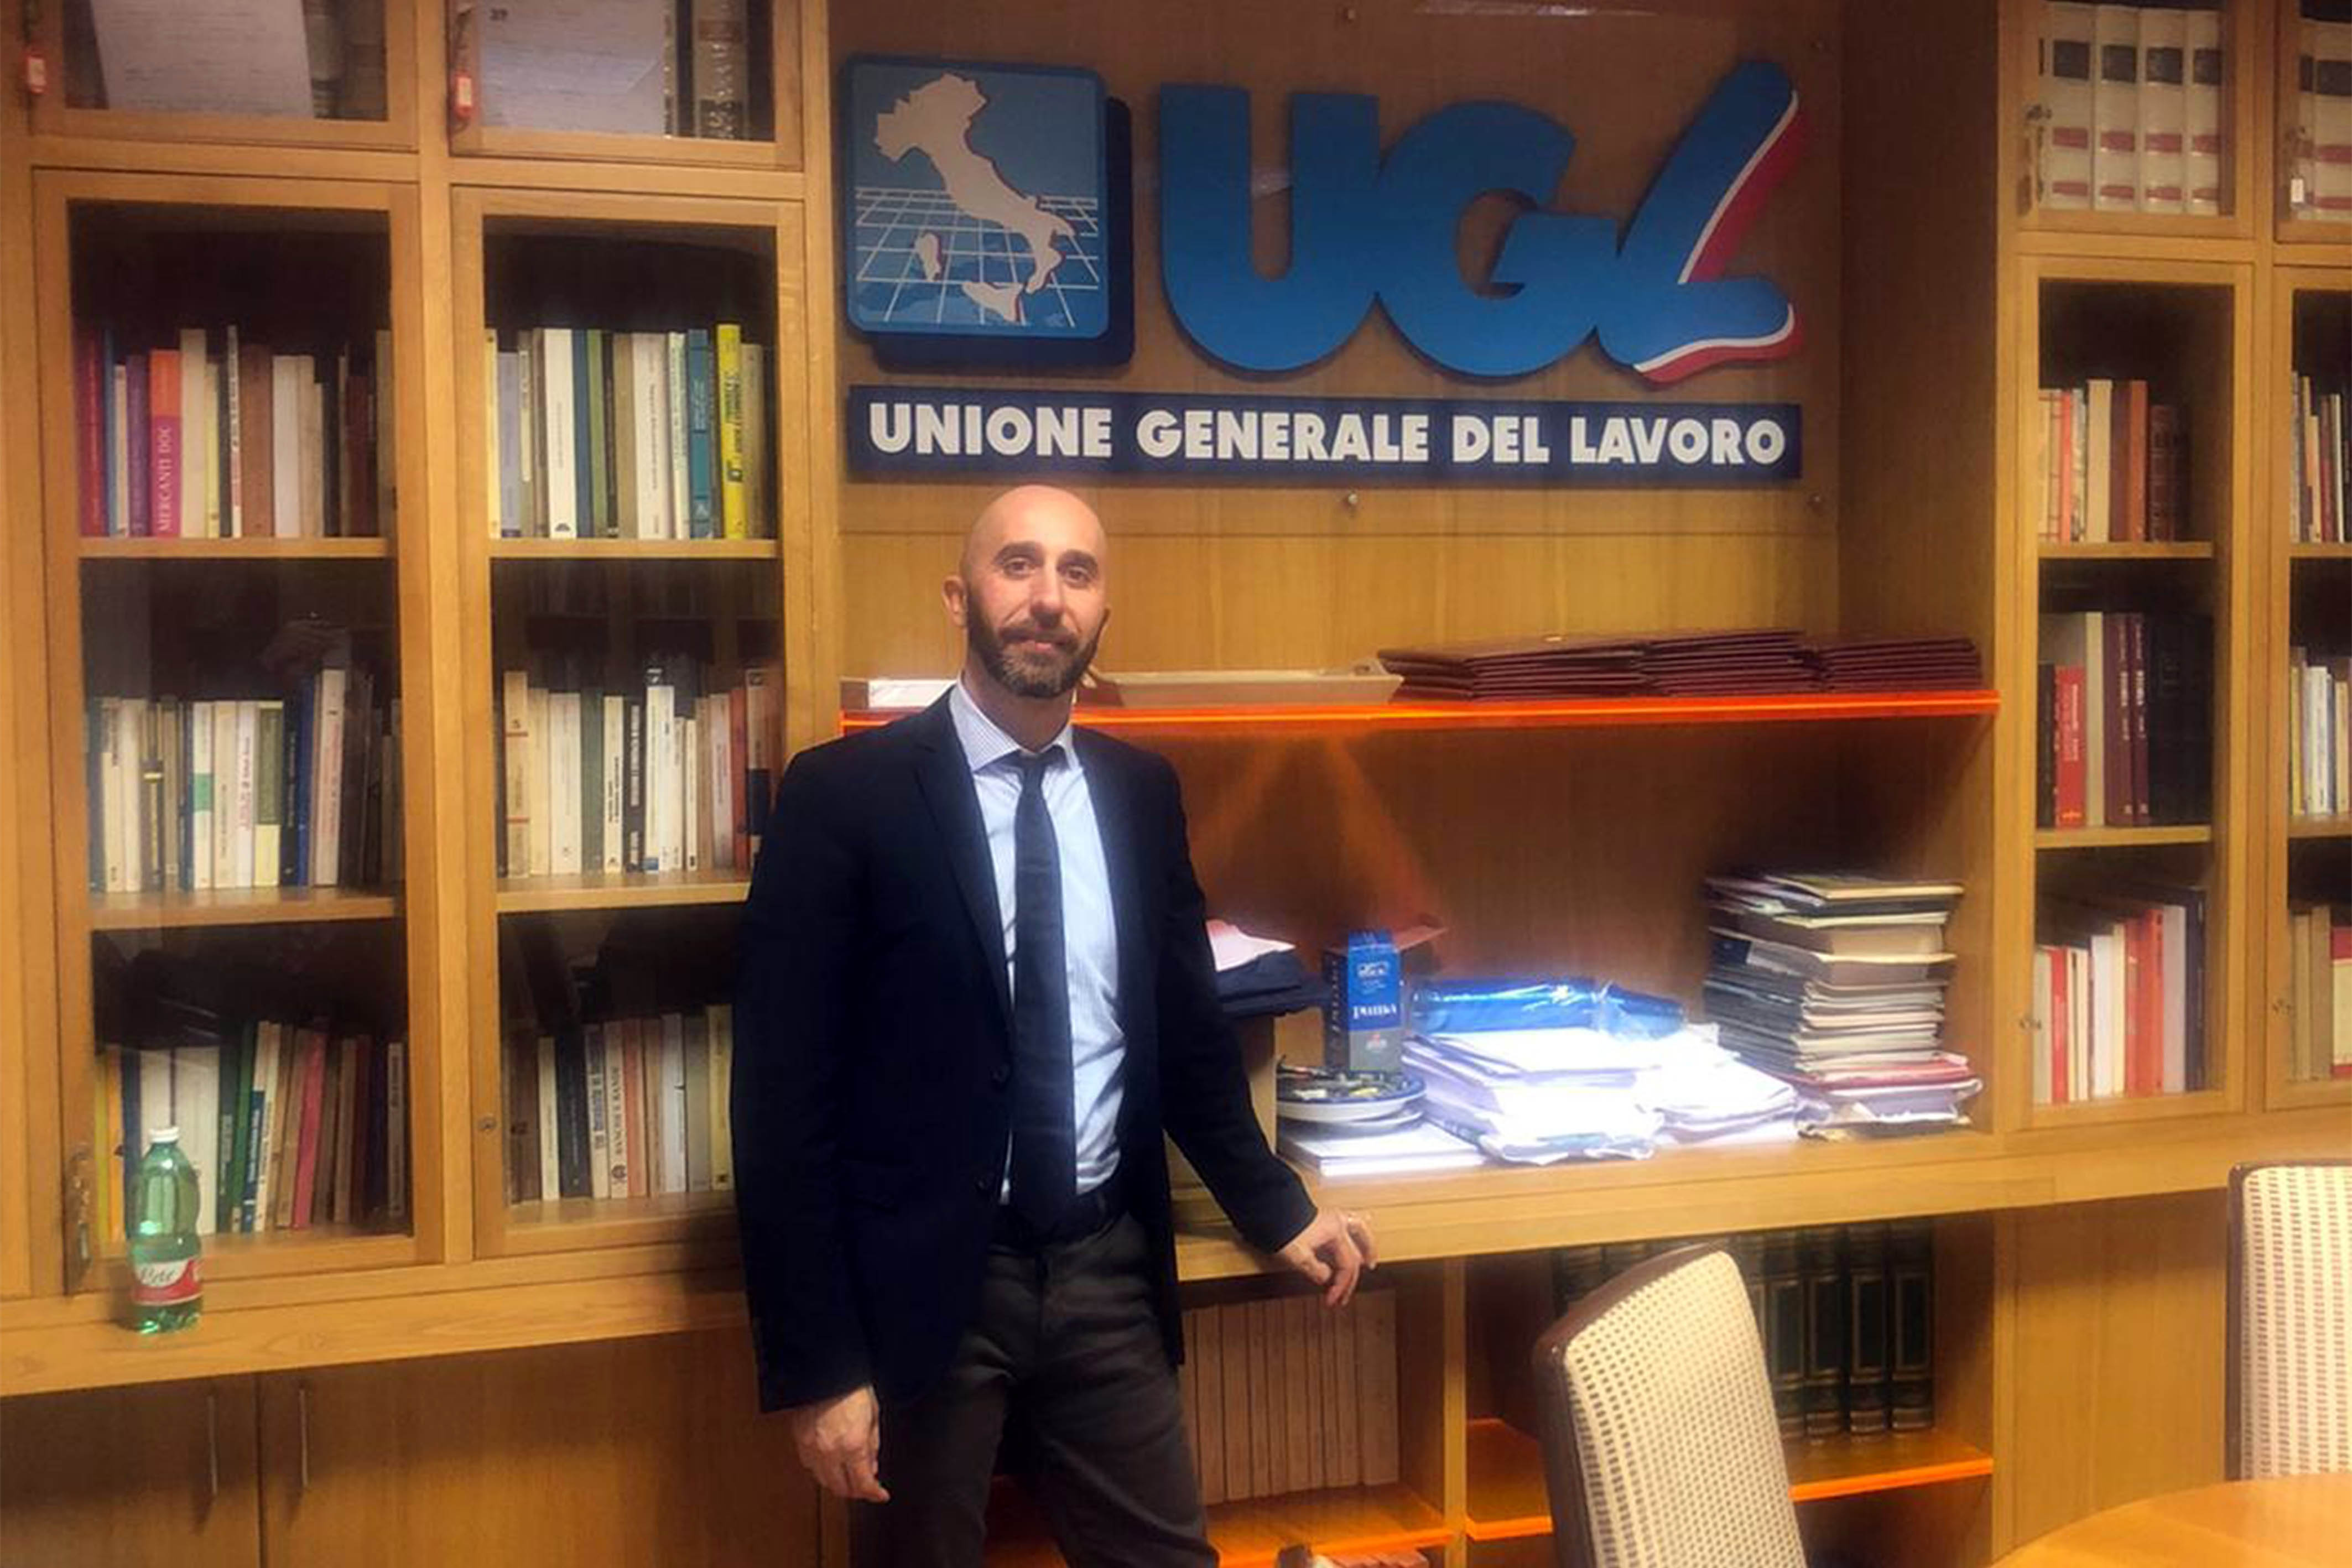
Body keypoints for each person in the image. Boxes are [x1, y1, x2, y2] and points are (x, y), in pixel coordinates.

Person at [731, 484, 1376, 1566]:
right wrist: (819, 1363)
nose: (1047, 597)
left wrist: (1276, 1204)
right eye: (1018, 564)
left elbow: (1185, 1034)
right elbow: (778, 1100)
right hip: (924, 1290)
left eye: (1076, 572)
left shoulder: (1138, 793)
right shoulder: (847, 794)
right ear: (958, 598)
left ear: (1101, 613)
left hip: (1103, 1268)